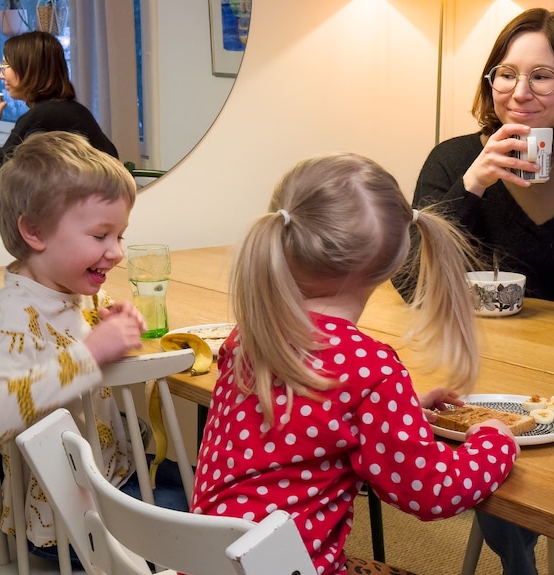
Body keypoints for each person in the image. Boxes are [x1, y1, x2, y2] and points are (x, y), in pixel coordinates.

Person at [396, 8, 554, 575]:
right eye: (506, 74)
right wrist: (472, 187)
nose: (520, 92)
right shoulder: (454, 160)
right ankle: (519, 564)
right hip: (482, 372)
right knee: (489, 440)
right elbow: (413, 280)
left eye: (542, 76)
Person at [190, 153, 522, 575]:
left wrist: (401, 411)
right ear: (397, 257)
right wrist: (493, 443)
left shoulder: (249, 335)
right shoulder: (371, 368)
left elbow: (304, 422)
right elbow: (432, 491)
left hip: (206, 564)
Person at [0, 131, 183, 565]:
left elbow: (73, 353)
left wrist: (109, 329)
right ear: (34, 231)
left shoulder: (68, 293)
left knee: (210, 489)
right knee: (211, 520)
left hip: (110, 481)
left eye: (120, 236)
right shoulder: (12, 316)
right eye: (101, 235)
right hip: (66, 519)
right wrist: (90, 355)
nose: (117, 252)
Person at [0, 31, 119, 201]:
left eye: (6, 65)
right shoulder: (72, 110)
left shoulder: (44, 117)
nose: (0, 75)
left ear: (29, 68)